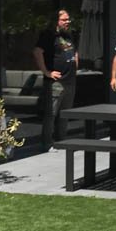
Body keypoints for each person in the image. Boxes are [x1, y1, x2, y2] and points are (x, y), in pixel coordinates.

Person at [33, 10, 78, 151]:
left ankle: (62, 140)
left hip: (70, 80)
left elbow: (74, 52)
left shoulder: (68, 35)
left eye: (68, 19)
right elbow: (37, 52)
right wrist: (46, 72)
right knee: (51, 114)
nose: (67, 22)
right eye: (64, 19)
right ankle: (47, 143)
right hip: (56, 82)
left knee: (65, 113)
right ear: (57, 21)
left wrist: (76, 66)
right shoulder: (49, 35)